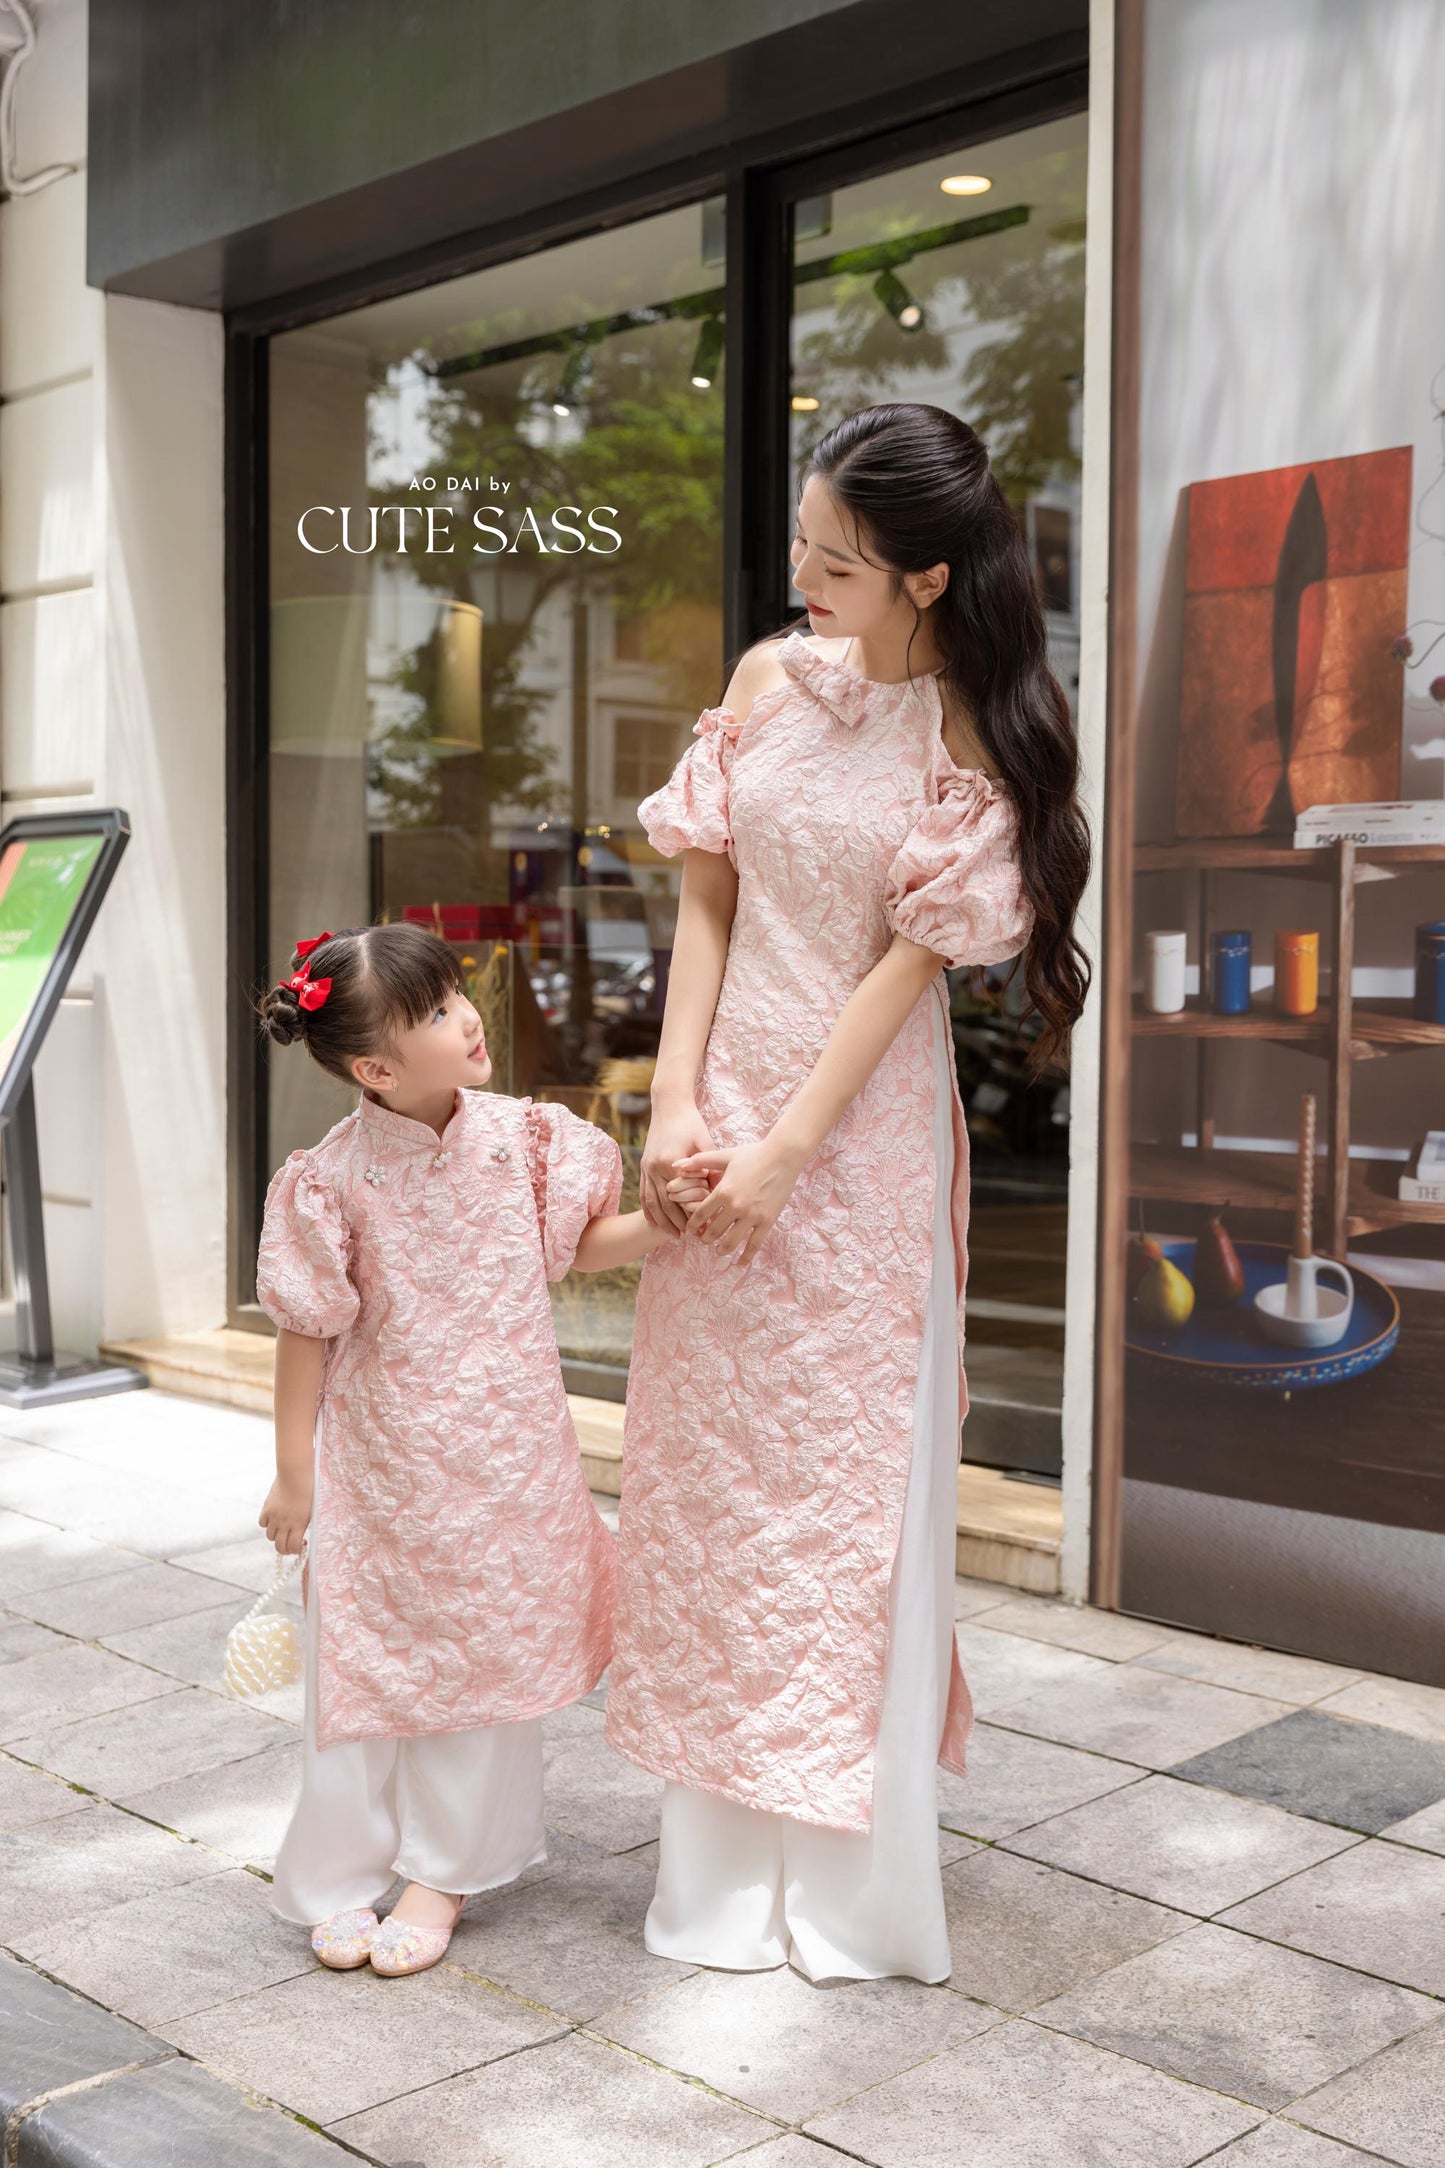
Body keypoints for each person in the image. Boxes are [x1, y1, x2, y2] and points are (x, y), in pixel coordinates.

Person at [605, 402, 1092, 1983]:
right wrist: (677, 1101)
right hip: (724, 1101)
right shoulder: (766, 680)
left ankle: (839, 1895)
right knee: (709, 1493)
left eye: (840, 562)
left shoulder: (976, 728)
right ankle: (716, 1878)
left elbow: (904, 979)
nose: (806, 578)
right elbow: (708, 903)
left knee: (838, 1503)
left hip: (856, 1148)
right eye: (804, 545)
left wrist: (787, 1152)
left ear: (930, 579)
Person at [253, 922, 702, 1977]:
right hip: (381, 1468)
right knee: (357, 1668)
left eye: (457, 997)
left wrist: (662, 1224)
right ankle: (337, 1868)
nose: (467, 1017)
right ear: (374, 1066)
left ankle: (441, 1872)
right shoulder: (330, 1182)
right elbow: (305, 1330)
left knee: (480, 1666)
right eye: (436, 1013)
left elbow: (576, 1247)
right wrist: (292, 1471)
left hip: (503, 1466)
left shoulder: (524, 1140)